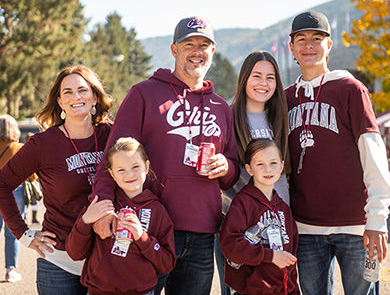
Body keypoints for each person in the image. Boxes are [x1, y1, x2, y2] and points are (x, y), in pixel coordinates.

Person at [91, 16, 240, 295]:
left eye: (204, 45)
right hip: (147, 225)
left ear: (213, 51)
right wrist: (104, 208)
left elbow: (232, 171)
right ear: (174, 50)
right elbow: (110, 161)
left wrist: (225, 166)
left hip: (201, 232)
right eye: (189, 44)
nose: (197, 51)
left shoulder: (221, 107)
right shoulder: (144, 94)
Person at [285, 11, 390, 295]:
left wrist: (377, 220)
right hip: (305, 228)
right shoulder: (284, 98)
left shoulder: (351, 89)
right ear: (291, 47)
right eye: (302, 39)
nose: (309, 45)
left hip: (356, 227)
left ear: (329, 45)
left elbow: (373, 153)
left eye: (317, 39)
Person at [0, 65, 112, 294]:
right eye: (67, 92)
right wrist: (23, 234)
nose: (76, 97)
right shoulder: (43, 144)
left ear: (94, 97)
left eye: (82, 90)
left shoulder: (112, 135)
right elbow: (2, 184)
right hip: (58, 261)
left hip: (107, 257)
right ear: (60, 102)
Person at [215, 50, 291, 294]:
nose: (263, 83)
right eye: (256, 76)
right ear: (244, 79)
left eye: (270, 78)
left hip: (279, 222)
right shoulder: (227, 116)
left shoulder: (281, 118)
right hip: (238, 227)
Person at [66, 137, 176, 295]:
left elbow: (167, 263)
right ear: (111, 173)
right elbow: (75, 253)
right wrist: (85, 221)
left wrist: (142, 237)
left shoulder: (158, 210)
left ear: (146, 166)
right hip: (98, 291)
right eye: (121, 170)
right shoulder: (100, 206)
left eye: (135, 167)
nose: (129, 174)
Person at [219, 138, 299, 295]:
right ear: (249, 169)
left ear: (282, 166)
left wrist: (294, 290)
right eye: (260, 164)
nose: (268, 169)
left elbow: (290, 258)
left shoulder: (284, 209)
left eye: (273, 163)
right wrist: (271, 256)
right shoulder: (242, 203)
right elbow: (230, 245)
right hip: (252, 290)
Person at [0, 115, 38, 282]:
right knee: (12, 232)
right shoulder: (19, 148)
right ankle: (10, 271)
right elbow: (32, 177)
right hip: (14, 192)